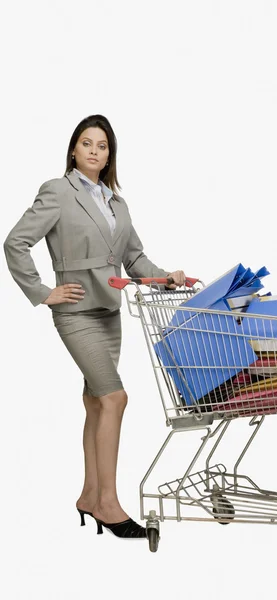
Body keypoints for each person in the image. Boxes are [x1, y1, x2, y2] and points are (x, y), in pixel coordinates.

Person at [3, 114, 186, 539]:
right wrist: (42, 291)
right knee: (115, 398)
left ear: (109, 156)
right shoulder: (57, 191)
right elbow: (16, 241)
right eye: (86, 143)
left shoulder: (116, 202)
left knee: (96, 404)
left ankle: (89, 495)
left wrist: (165, 278)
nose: (93, 151)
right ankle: (107, 502)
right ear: (73, 149)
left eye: (102, 146)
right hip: (76, 312)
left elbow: (134, 259)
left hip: (109, 312)